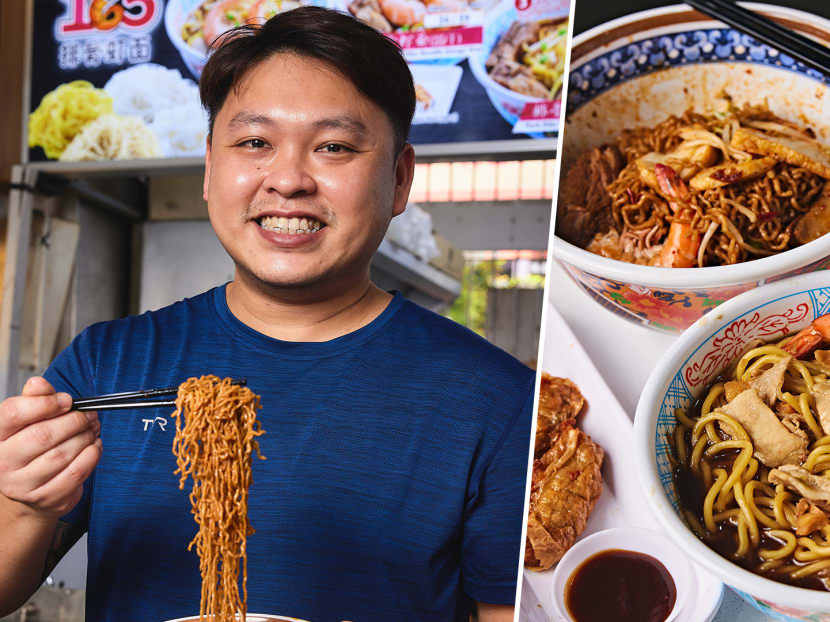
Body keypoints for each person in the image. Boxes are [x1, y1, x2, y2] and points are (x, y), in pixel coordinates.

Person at [0, 7, 533, 621]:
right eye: (254, 142)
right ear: (209, 168)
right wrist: (21, 504)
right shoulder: (104, 366)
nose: (287, 179)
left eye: (334, 147)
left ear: (400, 178)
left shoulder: (494, 400)